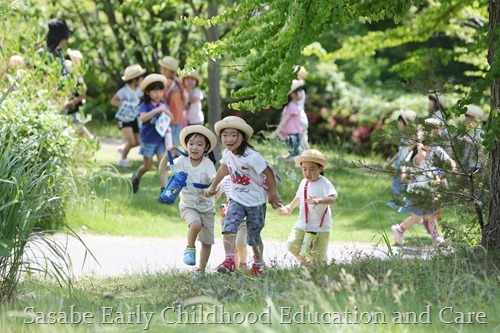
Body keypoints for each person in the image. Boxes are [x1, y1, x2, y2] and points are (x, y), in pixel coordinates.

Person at [204, 116, 282, 277]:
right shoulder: (228, 153)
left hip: (256, 202)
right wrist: (213, 187)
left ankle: (259, 262)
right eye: (225, 135)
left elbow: (268, 172)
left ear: (243, 137)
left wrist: (273, 195)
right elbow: (223, 170)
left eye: (233, 135)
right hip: (236, 200)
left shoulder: (252, 156)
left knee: (253, 237)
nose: (229, 139)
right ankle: (229, 261)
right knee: (228, 228)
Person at [158, 125, 217, 276]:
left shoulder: (208, 164)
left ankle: (201, 271)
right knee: (196, 224)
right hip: (188, 205)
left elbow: (215, 180)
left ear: (206, 148)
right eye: (191, 144)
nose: (194, 147)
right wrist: (167, 154)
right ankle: (190, 248)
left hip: (208, 208)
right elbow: (162, 169)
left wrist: (213, 190)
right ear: (186, 145)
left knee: (207, 242)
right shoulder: (182, 161)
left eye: (199, 144)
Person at [391, 136, 457, 247]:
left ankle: (436, 238)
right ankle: (399, 229)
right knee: (417, 218)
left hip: (427, 191)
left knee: (430, 215)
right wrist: (419, 143)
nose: (430, 150)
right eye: (427, 148)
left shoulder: (427, 156)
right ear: (421, 147)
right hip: (416, 193)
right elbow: (408, 165)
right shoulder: (418, 156)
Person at [279, 149, 337, 265]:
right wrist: (289, 207)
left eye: (312, 169)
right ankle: (307, 264)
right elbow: (298, 197)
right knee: (292, 245)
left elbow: (332, 199)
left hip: (321, 227)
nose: (307, 173)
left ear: (320, 169)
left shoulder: (324, 183)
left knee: (319, 259)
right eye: (304, 169)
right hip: (303, 224)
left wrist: (319, 200)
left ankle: (318, 274)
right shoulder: (303, 182)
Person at [131, 74, 173, 194]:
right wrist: (156, 110)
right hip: (148, 140)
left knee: (163, 165)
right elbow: (143, 118)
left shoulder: (163, 104)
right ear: (148, 92)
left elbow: (172, 117)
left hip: (160, 139)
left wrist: (165, 110)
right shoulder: (145, 105)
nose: (158, 94)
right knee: (147, 166)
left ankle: (164, 192)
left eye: (160, 91)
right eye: (155, 91)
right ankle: (136, 177)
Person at [111, 64, 147, 167]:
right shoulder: (123, 91)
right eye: (140, 78)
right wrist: (125, 105)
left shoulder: (139, 91)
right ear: (135, 79)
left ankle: (124, 147)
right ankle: (123, 159)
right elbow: (113, 101)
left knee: (138, 141)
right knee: (131, 141)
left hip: (134, 119)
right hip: (124, 119)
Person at [214, 175, 248, 270]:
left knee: (240, 243)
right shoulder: (226, 179)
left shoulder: (248, 178)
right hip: (229, 218)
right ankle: (234, 268)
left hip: (245, 218)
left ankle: (243, 263)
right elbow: (215, 196)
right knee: (231, 246)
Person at [387, 109, 418, 209]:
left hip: (406, 165)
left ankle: (406, 203)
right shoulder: (403, 137)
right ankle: (396, 201)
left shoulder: (413, 139)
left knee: (406, 184)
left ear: (406, 124)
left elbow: (411, 153)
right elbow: (400, 151)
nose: (399, 124)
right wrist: (392, 160)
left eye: (401, 122)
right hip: (398, 163)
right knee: (396, 182)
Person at [62, 49, 95, 139]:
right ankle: (90, 139)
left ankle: (90, 139)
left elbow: (83, 92)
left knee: (77, 125)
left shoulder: (77, 75)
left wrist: (73, 101)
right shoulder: (67, 72)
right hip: (68, 104)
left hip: (74, 105)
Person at [270, 79, 305, 160]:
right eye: (299, 90)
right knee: (295, 153)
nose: (301, 92)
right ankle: (288, 167)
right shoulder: (292, 106)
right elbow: (284, 120)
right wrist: (276, 132)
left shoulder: (295, 106)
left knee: (295, 152)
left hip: (295, 133)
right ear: (293, 94)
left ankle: (284, 160)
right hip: (292, 134)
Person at [159, 56, 185, 147]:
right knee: (175, 139)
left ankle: (170, 158)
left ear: (167, 70)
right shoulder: (179, 82)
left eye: (163, 68)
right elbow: (184, 98)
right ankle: (174, 158)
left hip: (169, 115)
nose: (161, 70)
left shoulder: (166, 83)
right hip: (178, 115)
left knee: (168, 139)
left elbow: (161, 99)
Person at [296, 66, 310, 150]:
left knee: (300, 138)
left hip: (298, 115)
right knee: (303, 139)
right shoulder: (300, 86)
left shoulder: (298, 86)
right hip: (300, 115)